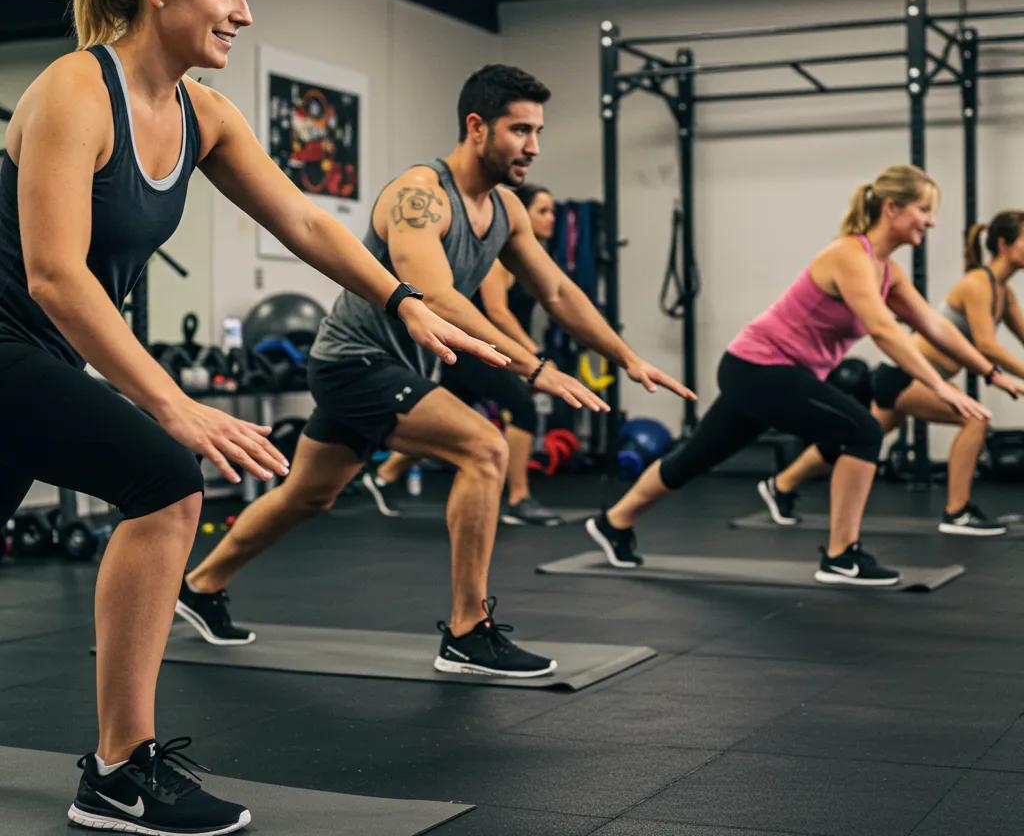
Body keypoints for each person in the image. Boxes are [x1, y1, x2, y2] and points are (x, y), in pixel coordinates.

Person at [1, 0, 505, 836]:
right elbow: (56, 277)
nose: (243, 11)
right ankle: (118, 770)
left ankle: (118, 767)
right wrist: (170, 404)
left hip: (37, 355)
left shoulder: (203, 113)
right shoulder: (77, 89)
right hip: (11, 341)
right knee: (164, 479)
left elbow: (307, 220)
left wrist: (406, 301)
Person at [178, 64, 693, 674]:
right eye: (519, 130)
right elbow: (438, 296)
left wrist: (627, 357)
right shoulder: (420, 195)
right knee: (485, 448)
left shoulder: (504, 208)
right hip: (355, 362)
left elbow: (556, 291)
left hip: (391, 368)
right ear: (477, 127)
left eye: (538, 132)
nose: (533, 147)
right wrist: (533, 368)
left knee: (308, 496)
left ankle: (200, 586)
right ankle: (466, 632)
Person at [585, 165, 1021, 587]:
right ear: (892, 207)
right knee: (863, 431)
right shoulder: (849, 255)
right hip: (760, 367)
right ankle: (840, 556)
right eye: (925, 209)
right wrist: (940, 385)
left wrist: (990, 372)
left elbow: (935, 325)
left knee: (696, 457)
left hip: (764, 371)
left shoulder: (888, 271)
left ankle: (613, 522)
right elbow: (884, 330)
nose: (931, 220)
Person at [761, 209, 1024, 537]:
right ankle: (957, 512)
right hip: (902, 376)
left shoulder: (1005, 294)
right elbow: (986, 345)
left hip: (911, 378)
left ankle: (780, 484)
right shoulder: (977, 285)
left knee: (854, 437)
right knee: (975, 418)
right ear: (1004, 244)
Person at [365, 183, 562, 525]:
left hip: (486, 351)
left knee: (446, 423)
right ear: (523, 215)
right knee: (524, 410)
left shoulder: (532, 260)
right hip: (476, 348)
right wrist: (534, 357)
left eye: (553, 212)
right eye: (542, 211)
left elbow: (559, 297)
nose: (552, 219)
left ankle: (384, 474)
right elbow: (498, 312)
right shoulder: (500, 259)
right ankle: (518, 498)